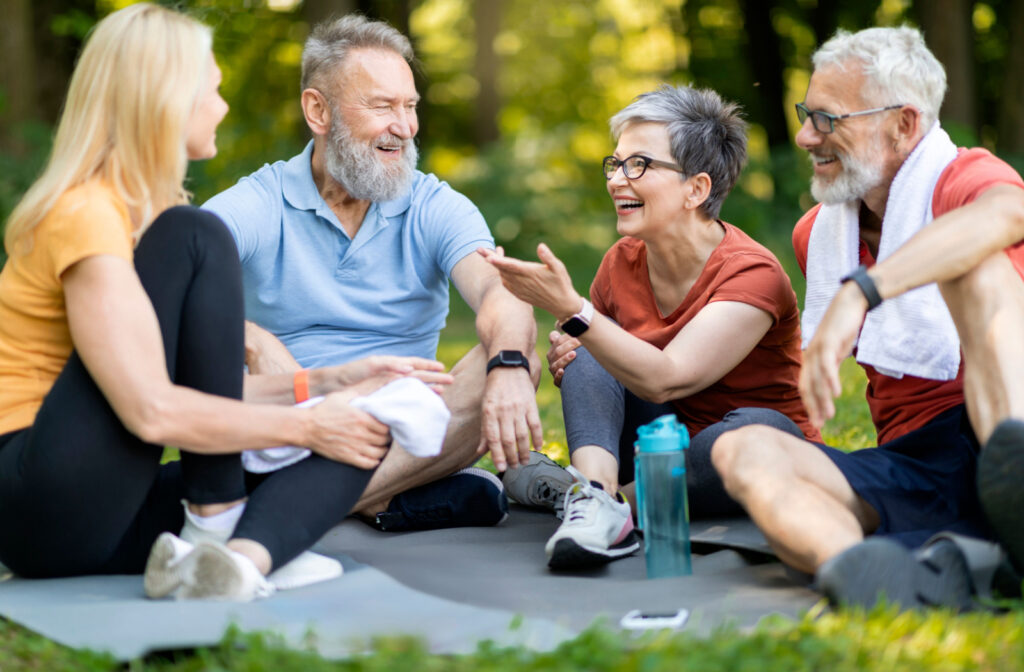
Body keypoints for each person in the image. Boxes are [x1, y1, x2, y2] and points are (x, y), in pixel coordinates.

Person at [0, 3, 450, 602]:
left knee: (362, 422)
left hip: (97, 509)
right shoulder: (87, 214)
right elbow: (151, 412)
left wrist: (327, 385)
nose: (223, 107)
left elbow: (192, 398)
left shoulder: (138, 218)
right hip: (33, 495)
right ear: (163, 101)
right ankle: (214, 521)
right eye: (210, 91)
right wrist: (307, 424)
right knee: (198, 235)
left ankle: (242, 560)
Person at [710, 26, 1024, 608]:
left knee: (973, 265)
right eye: (806, 115)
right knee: (742, 448)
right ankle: (871, 573)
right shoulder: (820, 235)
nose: (806, 136)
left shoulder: (963, 178)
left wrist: (862, 292)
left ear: (903, 124)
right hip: (917, 461)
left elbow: (1011, 212)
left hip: (1002, 433)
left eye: (828, 120)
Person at [202, 15, 542, 532]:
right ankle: (381, 498)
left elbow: (501, 291)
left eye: (409, 107)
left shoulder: (433, 203)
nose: (404, 127)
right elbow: (167, 282)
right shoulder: (258, 202)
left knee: (512, 358)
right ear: (319, 110)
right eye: (382, 106)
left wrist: (512, 366)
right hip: (296, 419)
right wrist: (251, 341)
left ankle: (299, 506)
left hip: (404, 423)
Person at [482, 85, 821, 569]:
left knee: (761, 429)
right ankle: (597, 498)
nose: (617, 179)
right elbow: (602, 363)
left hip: (730, 458)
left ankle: (596, 500)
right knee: (590, 349)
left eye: (638, 165)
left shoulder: (752, 273)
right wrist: (573, 351)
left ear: (696, 189)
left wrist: (578, 316)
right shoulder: (621, 261)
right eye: (615, 163)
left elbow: (669, 375)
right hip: (648, 441)